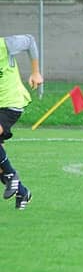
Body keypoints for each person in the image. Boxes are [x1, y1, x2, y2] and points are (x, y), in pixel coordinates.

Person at [0, 34, 44, 210]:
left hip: (12, 103)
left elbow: (30, 41)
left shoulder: (5, 45)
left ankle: (11, 175)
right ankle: (22, 192)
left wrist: (35, 72)